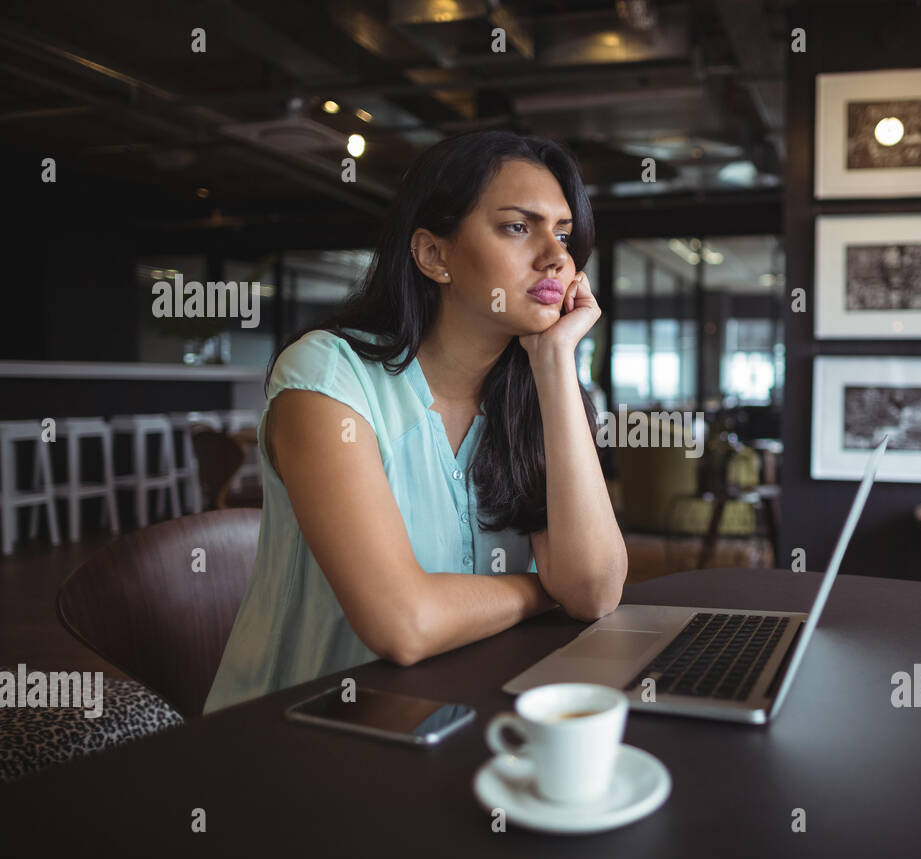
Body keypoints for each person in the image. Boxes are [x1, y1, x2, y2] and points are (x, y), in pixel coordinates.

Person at [203, 131, 627, 715]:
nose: (556, 256)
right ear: (433, 255)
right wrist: (542, 589)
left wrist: (554, 361)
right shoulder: (328, 375)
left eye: (562, 232)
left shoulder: (533, 394)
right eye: (516, 226)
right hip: (299, 741)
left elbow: (596, 591)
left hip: (462, 724)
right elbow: (404, 623)